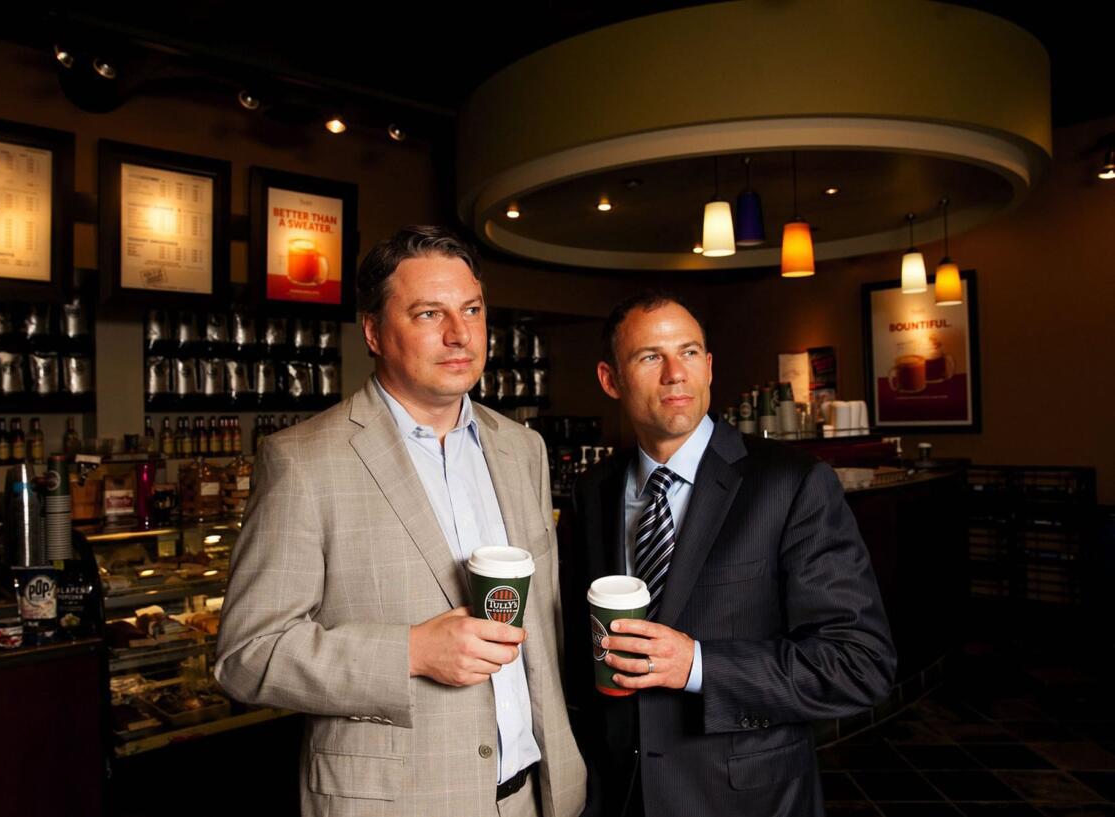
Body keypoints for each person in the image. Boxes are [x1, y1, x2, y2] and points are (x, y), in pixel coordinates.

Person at [214, 226, 586, 817]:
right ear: (373, 332)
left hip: (536, 796)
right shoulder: (303, 460)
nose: (460, 334)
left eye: (471, 310)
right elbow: (246, 655)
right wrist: (409, 653)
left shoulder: (523, 449)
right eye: (428, 313)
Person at [563, 291, 896, 817]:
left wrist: (697, 664)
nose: (675, 373)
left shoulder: (793, 483)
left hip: (745, 796)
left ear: (710, 366)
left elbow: (860, 665)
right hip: (621, 794)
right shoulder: (593, 492)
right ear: (610, 379)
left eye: (689, 352)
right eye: (650, 356)